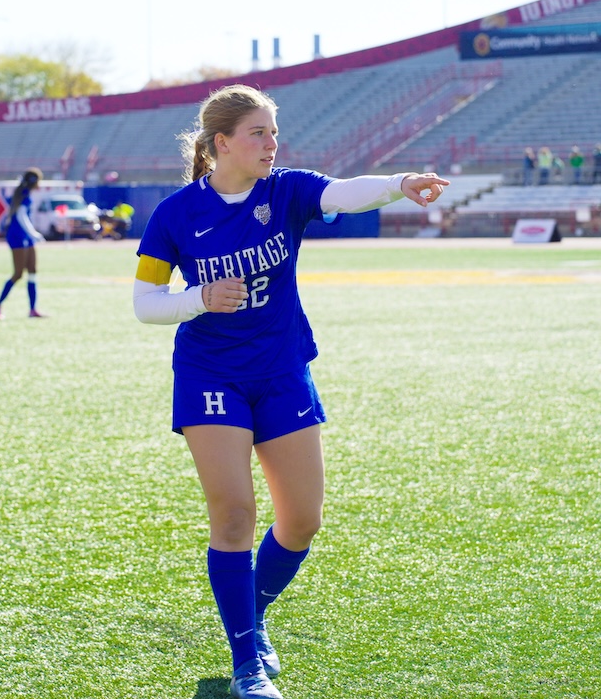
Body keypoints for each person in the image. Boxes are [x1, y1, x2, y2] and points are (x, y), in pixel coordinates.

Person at [132, 84, 448, 699]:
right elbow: (144, 304)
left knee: (301, 521)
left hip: (281, 369)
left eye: (274, 133)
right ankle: (246, 661)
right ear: (221, 143)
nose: (271, 144)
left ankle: (251, 616)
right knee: (235, 515)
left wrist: (399, 182)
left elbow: (341, 193)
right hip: (210, 376)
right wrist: (198, 299)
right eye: (258, 133)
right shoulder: (175, 214)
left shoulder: (288, 189)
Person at [0, 167, 47, 319]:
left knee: (33, 271)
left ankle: (33, 308)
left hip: (26, 237)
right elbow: (21, 216)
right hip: (18, 237)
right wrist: (33, 233)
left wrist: (31, 235)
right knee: (18, 274)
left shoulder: (25, 194)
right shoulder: (23, 195)